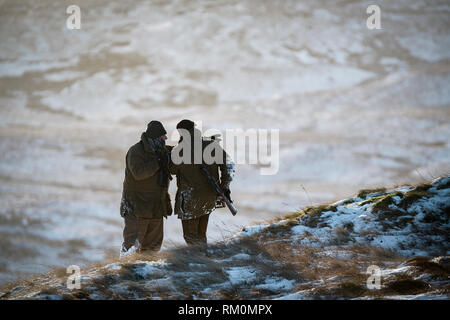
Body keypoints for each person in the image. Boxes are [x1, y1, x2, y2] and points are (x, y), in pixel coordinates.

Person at [170, 119, 235, 248]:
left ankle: (198, 263)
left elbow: (172, 170)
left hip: (190, 200)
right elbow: (229, 164)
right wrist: (224, 185)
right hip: (209, 197)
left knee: (190, 236)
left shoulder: (180, 150)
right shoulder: (211, 144)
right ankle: (203, 260)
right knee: (201, 234)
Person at [120, 120, 173, 255]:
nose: (165, 138)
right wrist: (158, 162)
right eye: (162, 136)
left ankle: (147, 273)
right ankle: (126, 274)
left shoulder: (162, 151)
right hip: (137, 207)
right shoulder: (136, 151)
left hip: (156, 207)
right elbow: (139, 173)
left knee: (153, 248)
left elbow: (179, 155)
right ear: (155, 137)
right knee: (131, 247)